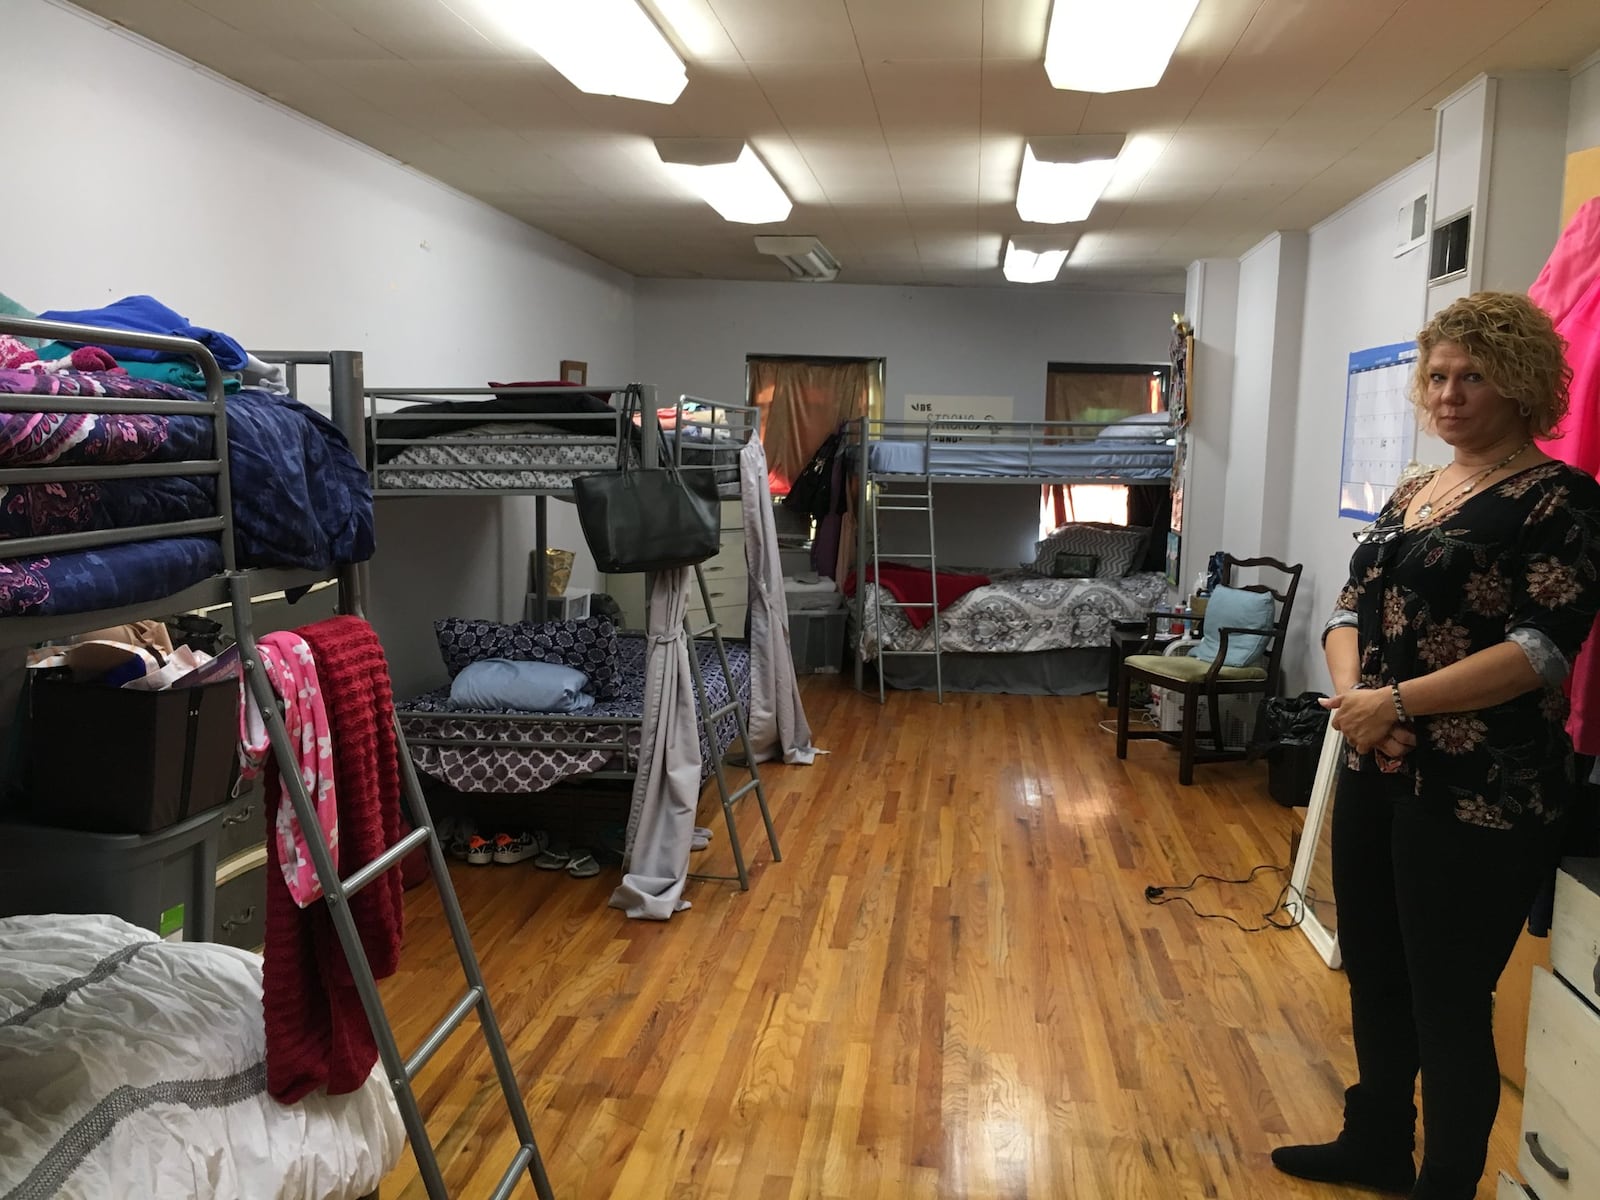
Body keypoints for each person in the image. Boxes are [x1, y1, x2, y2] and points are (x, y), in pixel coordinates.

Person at [1273, 292, 1600, 1199]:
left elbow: (1541, 651)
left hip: (1483, 789)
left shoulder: (1561, 500)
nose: (1449, 394)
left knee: (1448, 1000)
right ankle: (1376, 1141)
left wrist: (1397, 701)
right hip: (1380, 766)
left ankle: (1447, 1183)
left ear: (1524, 386)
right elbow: (1351, 605)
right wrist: (1356, 699)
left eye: (1474, 377)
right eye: (1439, 376)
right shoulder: (1416, 489)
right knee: (1375, 969)